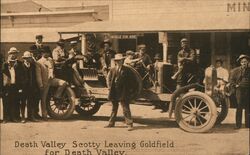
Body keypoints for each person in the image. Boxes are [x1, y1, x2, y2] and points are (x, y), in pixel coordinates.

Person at [105, 53, 139, 131]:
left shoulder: (127, 70)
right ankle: (111, 123)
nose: (118, 62)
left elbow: (133, 81)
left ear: (122, 61)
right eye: (117, 61)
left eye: (120, 60)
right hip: (114, 91)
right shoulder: (113, 69)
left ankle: (129, 124)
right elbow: (109, 79)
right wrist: (110, 87)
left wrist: (130, 90)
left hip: (123, 91)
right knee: (114, 108)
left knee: (125, 108)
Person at [37, 49, 68, 121]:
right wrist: (40, 84)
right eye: (45, 52)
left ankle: (56, 96)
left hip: (52, 80)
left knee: (63, 83)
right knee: (43, 99)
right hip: (45, 82)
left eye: (47, 52)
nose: (46, 54)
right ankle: (44, 115)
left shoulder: (51, 59)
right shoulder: (39, 62)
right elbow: (38, 75)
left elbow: (56, 66)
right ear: (42, 53)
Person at [2, 49, 24, 123]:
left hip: (16, 86)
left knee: (16, 102)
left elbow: (21, 76)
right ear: (9, 55)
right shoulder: (5, 64)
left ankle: (15, 117)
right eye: (11, 53)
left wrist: (20, 87)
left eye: (14, 53)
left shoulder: (20, 64)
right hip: (7, 86)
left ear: (17, 55)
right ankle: (6, 118)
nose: (13, 55)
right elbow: (2, 76)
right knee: (6, 102)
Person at [229, 54, 250, 129]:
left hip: (248, 90)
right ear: (240, 63)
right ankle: (238, 125)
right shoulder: (236, 70)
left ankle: (248, 125)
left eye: (245, 62)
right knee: (239, 106)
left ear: (247, 62)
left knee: (248, 107)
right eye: (242, 62)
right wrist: (235, 85)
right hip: (239, 90)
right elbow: (231, 80)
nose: (244, 63)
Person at [20, 51, 40, 123]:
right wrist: (20, 87)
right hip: (23, 87)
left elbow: (34, 77)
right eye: (25, 58)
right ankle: (23, 117)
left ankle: (31, 116)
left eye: (28, 58)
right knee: (23, 102)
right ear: (23, 58)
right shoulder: (21, 66)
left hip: (31, 87)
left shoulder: (33, 66)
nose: (27, 60)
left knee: (31, 102)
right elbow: (19, 78)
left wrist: (34, 87)